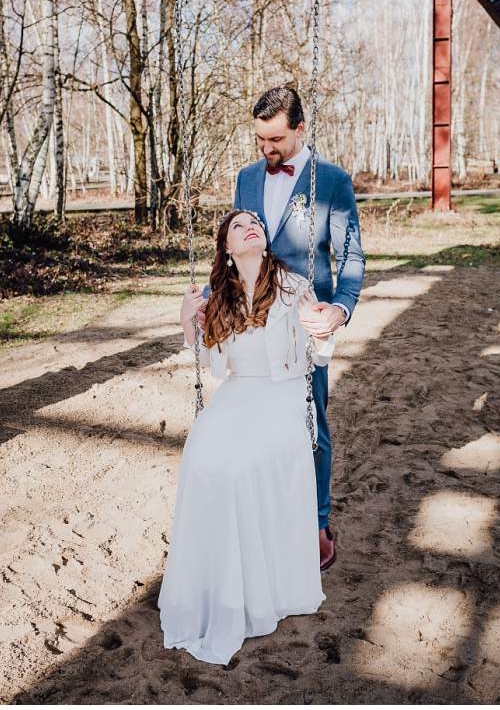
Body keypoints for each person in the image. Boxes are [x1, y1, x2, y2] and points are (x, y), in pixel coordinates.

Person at [160, 210, 334, 665]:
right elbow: (210, 359)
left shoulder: (294, 286)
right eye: (238, 227)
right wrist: (186, 322)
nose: (249, 227)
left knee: (239, 470)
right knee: (200, 460)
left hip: (284, 394)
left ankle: (255, 591)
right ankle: (211, 586)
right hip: (239, 392)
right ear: (227, 249)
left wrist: (325, 326)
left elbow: (318, 350)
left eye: (254, 222)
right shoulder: (219, 297)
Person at [230, 86, 365, 570]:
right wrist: (210, 300)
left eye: (277, 140)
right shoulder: (246, 178)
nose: (267, 150)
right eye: (261, 139)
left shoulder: (330, 180)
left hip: (304, 323)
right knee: (256, 423)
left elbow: (350, 255)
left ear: (301, 130)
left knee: (311, 425)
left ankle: (316, 520)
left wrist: (340, 308)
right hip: (251, 323)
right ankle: (267, 513)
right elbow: (233, 251)